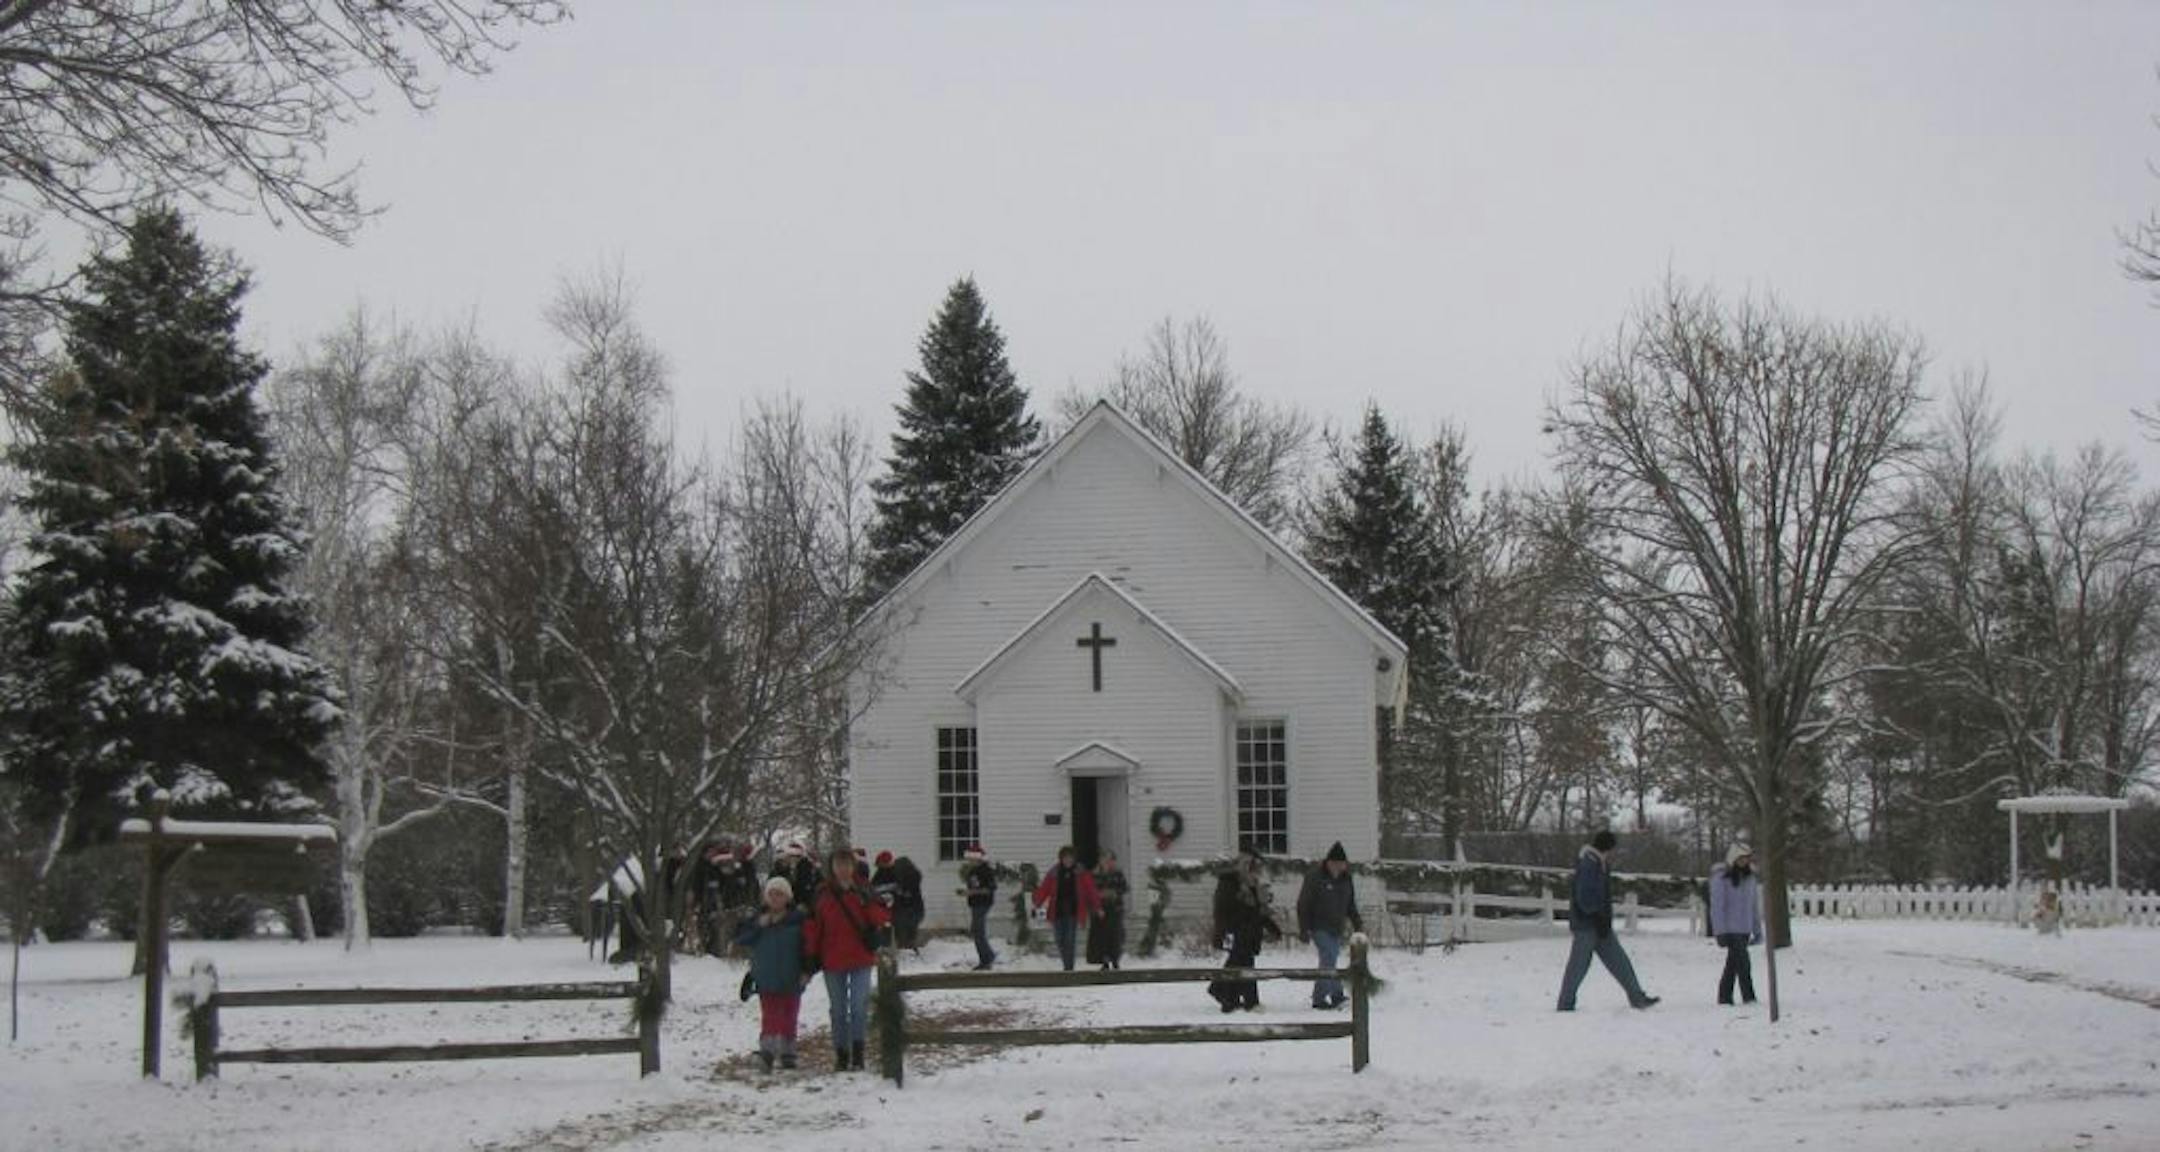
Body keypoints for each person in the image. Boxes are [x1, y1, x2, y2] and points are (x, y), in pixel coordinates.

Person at [804, 846, 890, 1072]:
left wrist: (865, 900)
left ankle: (858, 1052)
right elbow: (813, 926)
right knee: (839, 1010)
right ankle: (842, 1053)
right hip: (832, 959)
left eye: (847, 864)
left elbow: (881, 917)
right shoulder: (822, 893)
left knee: (859, 1007)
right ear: (832, 867)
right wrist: (811, 954)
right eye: (838, 864)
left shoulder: (863, 889)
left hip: (860, 957)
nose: (843, 869)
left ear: (853, 867)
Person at [1556, 830, 1659, 1011]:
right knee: (1578, 966)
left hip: (1598, 924)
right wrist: (1596, 915)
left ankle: (1637, 996)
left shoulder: (1597, 862)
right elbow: (1584, 896)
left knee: (1619, 961)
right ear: (1607, 847)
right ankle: (1565, 1003)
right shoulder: (1590, 864)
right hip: (1587, 925)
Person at [733, 876, 810, 1072]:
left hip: (792, 975)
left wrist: (807, 970)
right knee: (770, 1014)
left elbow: (808, 948)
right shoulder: (757, 920)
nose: (776, 898)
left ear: (788, 897)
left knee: (790, 1014)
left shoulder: (798, 921)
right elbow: (741, 938)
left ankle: (788, 1051)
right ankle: (767, 1051)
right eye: (772, 894)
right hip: (766, 976)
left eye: (780, 894)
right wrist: (759, 925)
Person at [1208, 846, 1281, 1012]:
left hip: (1249, 931)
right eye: (1253, 867)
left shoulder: (1252, 884)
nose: (1257, 871)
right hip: (1234, 931)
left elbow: (1259, 910)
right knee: (1242, 964)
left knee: (1240, 964)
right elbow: (1224, 909)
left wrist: (1273, 928)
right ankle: (1245, 1000)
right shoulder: (1230, 882)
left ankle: (1225, 994)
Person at [1296, 841, 1364, 1010]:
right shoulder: (1315, 877)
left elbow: (1350, 905)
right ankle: (1320, 998)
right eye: (1335, 864)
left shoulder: (1346, 880)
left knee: (1330, 960)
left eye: (1342, 864)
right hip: (1318, 925)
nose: (1339, 868)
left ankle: (1336, 995)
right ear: (1328, 863)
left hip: (1336, 927)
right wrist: (1304, 929)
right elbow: (1303, 904)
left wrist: (1358, 924)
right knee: (1329, 955)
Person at [1707, 843, 1763, 1006]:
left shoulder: (1750, 878)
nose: (1745, 862)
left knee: (1732, 965)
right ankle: (1749, 996)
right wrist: (1720, 931)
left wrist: (1757, 930)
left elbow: (1753, 906)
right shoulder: (1721, 878)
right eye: (1741, 858)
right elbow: (1717, 906)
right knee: (1744, 963)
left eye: (1747, 858)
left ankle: (1724, 997)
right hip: (1730, 929)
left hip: (1744, 928)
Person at [1032, 845, 1101, 972]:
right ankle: (1066, 962)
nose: (1068, 860)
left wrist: (1097, 906)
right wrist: (1037, 902)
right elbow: (1045, 888)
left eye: (1070, 858)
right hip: (1057, 910)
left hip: (1073, 910)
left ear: (1074, 859)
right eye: (1065, 858)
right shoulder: (1054, 872)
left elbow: (1091, 890)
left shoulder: (1081, 872)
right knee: (1060, 939)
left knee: (1069, 939)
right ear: (1061, 859)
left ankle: (1068, 967)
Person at [1086, 851, 1130, 970]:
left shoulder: (1118, 874)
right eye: (1104, 859)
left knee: (1115, 935)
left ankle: (1115, 959)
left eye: (1109, 860)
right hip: (1100, 909)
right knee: (1101, 936)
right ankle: (1104, 960)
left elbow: (1125, 888)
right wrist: (1099, 896)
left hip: (1115, 908)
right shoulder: (1094, 874)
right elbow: (1089, 891)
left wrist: (1114, 892)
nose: (1107, 862)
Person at [961, 844, 998, 970]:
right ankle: (988, 956)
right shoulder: (972, 871)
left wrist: (972, 892)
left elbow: (990, 889)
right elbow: (973, 887)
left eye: (971, 859)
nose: (969, 861)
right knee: (976, 931)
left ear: (978, 858)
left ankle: (986, 959)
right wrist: (966, 892)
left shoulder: (986, 871)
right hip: (975, 904)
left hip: (983, 904)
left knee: (978, 932)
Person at [891, 854, 926, 951]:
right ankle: (912, 949)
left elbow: (905, 894)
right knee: (912, 932)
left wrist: (899, 892)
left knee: (902, 933)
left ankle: (905, 950)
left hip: (904, 910)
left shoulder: (902, 879)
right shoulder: (916, 876)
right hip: (917, 909)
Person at [772, 840, 820, 912]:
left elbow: (817, 892)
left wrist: (806, 904)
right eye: (791, 856)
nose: (794, 859)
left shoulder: (810, 871)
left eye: (797, 856)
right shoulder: (777, 872)